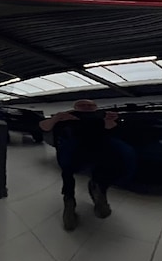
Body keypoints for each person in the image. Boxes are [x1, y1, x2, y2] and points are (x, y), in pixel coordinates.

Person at [40, 99, 122, 231]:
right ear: (75, 107)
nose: (87, 107)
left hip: (94, 156)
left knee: (102, 172)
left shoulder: (99, 119)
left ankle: (97, 195)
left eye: (90, 105)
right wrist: (57, 118)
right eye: (82, 105)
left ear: (95, 108)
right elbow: (44, 126)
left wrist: (110, 119)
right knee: (68, 175)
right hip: (72, 157)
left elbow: (111, 127)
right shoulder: (66, 118)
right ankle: (70, 204)